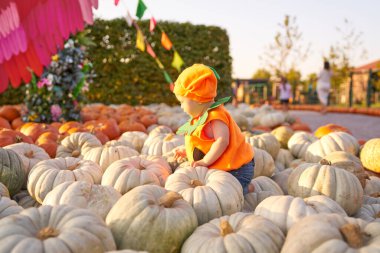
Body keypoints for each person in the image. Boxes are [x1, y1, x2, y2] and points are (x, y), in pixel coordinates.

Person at [173, 64, 255, 194]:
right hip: (225, 168)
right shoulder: (200, 116)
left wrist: (205, 161)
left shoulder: (216, 116)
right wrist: (187, 151)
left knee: (225, 192)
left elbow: (222, 141)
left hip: (237, 169)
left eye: (182, 102)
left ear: (197, 98)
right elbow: (204, 142)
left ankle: (245, 188)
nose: (181, 107)